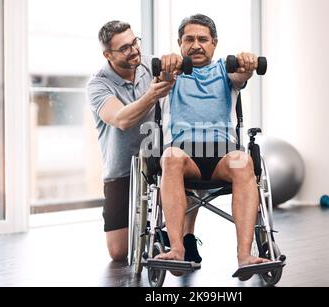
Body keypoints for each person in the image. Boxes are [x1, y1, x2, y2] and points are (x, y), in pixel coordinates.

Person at [154, 14, 271, 277]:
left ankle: (245, 256)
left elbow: (240, 75)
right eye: (189, 39)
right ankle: (176, 250)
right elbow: (162, 76)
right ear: (179, 43)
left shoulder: (224, 69)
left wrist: (248, 64)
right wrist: (165, 66)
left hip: (221, 156)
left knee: (243, 162)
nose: (196, 44)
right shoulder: (173, 73)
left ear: (214, 43)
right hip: (185, 156)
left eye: (202, 39)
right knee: (169, 157)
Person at [87, 21, 201, 263]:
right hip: (122, 168)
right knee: (119, 252)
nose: (134, 50)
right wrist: (151, 95)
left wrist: (174, 60)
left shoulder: (151, 64)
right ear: (108, 54)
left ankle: (185, 236)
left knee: (182, 168)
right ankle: (160, 232)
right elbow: (121, 119)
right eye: (125, 48)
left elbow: (182, 70)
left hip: (159, 157)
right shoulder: (98, 84)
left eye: (134, 42)